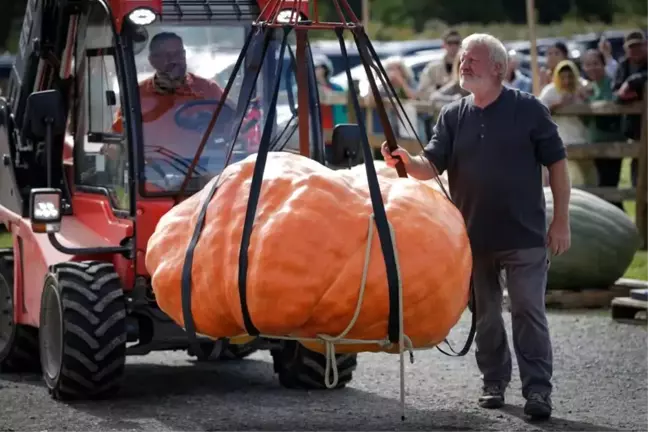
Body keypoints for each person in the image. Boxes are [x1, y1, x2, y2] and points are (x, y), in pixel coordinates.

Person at [380, 33, 572, 421]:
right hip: (473, 239)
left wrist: (561, 220)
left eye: (474, 59)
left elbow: (558, 164)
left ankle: (537, 391)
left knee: (527, 312)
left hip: (525, 236)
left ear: (498, 69)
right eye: (463, 58)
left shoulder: (530, 109)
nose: (464, 64)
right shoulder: (453, 114)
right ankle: (493, 383)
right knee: (485, 316)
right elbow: (431, 165)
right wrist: (404, 160)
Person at [108, 32, 254, 191]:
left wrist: (226, 128)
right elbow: (118, 138)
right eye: (166, 55)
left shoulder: (208, 89)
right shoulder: (137, 95)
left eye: (178, 53)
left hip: (204, 171)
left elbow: (237, 125)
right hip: (155, 174)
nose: (174, 60)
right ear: (152, 60)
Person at [613, 30, 648, 187]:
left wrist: (631, 82)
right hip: (634, 130)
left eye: (639, 46)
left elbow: (627, 87)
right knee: (638, 174)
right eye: (631, 47)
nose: (635, 50)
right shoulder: (623, 65)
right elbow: (617, 93)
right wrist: (630, 94)